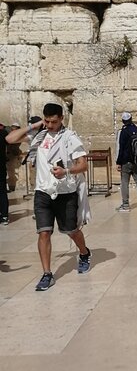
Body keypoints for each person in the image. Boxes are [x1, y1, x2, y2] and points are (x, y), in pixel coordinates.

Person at [5, 103, 92, 291]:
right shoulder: (39, 135)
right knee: (44, 232)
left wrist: (66, 171)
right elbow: (10, 138)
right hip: (42, 192)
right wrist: (35, 125)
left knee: (71, 231)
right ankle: (47, 273)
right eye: (47, 121)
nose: (50, 125)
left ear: (61, 118)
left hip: (65, 193)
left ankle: (84, 253)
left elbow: (83, 165)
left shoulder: (70, 138)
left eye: (54, 121)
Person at [115, 112, 137, 214]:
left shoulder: (123, 132)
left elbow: (121, 148)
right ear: (131, 119)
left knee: (125, 183)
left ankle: (125, 205)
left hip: (126, 161)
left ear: (123, 121)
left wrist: (118, 162)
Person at [0, 121, 9, 225]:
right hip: (1, 166)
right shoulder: (3, 133)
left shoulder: (3, 133)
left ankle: (4, 215)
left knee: (2, 191)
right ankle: (4, 215)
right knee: (2, 191)